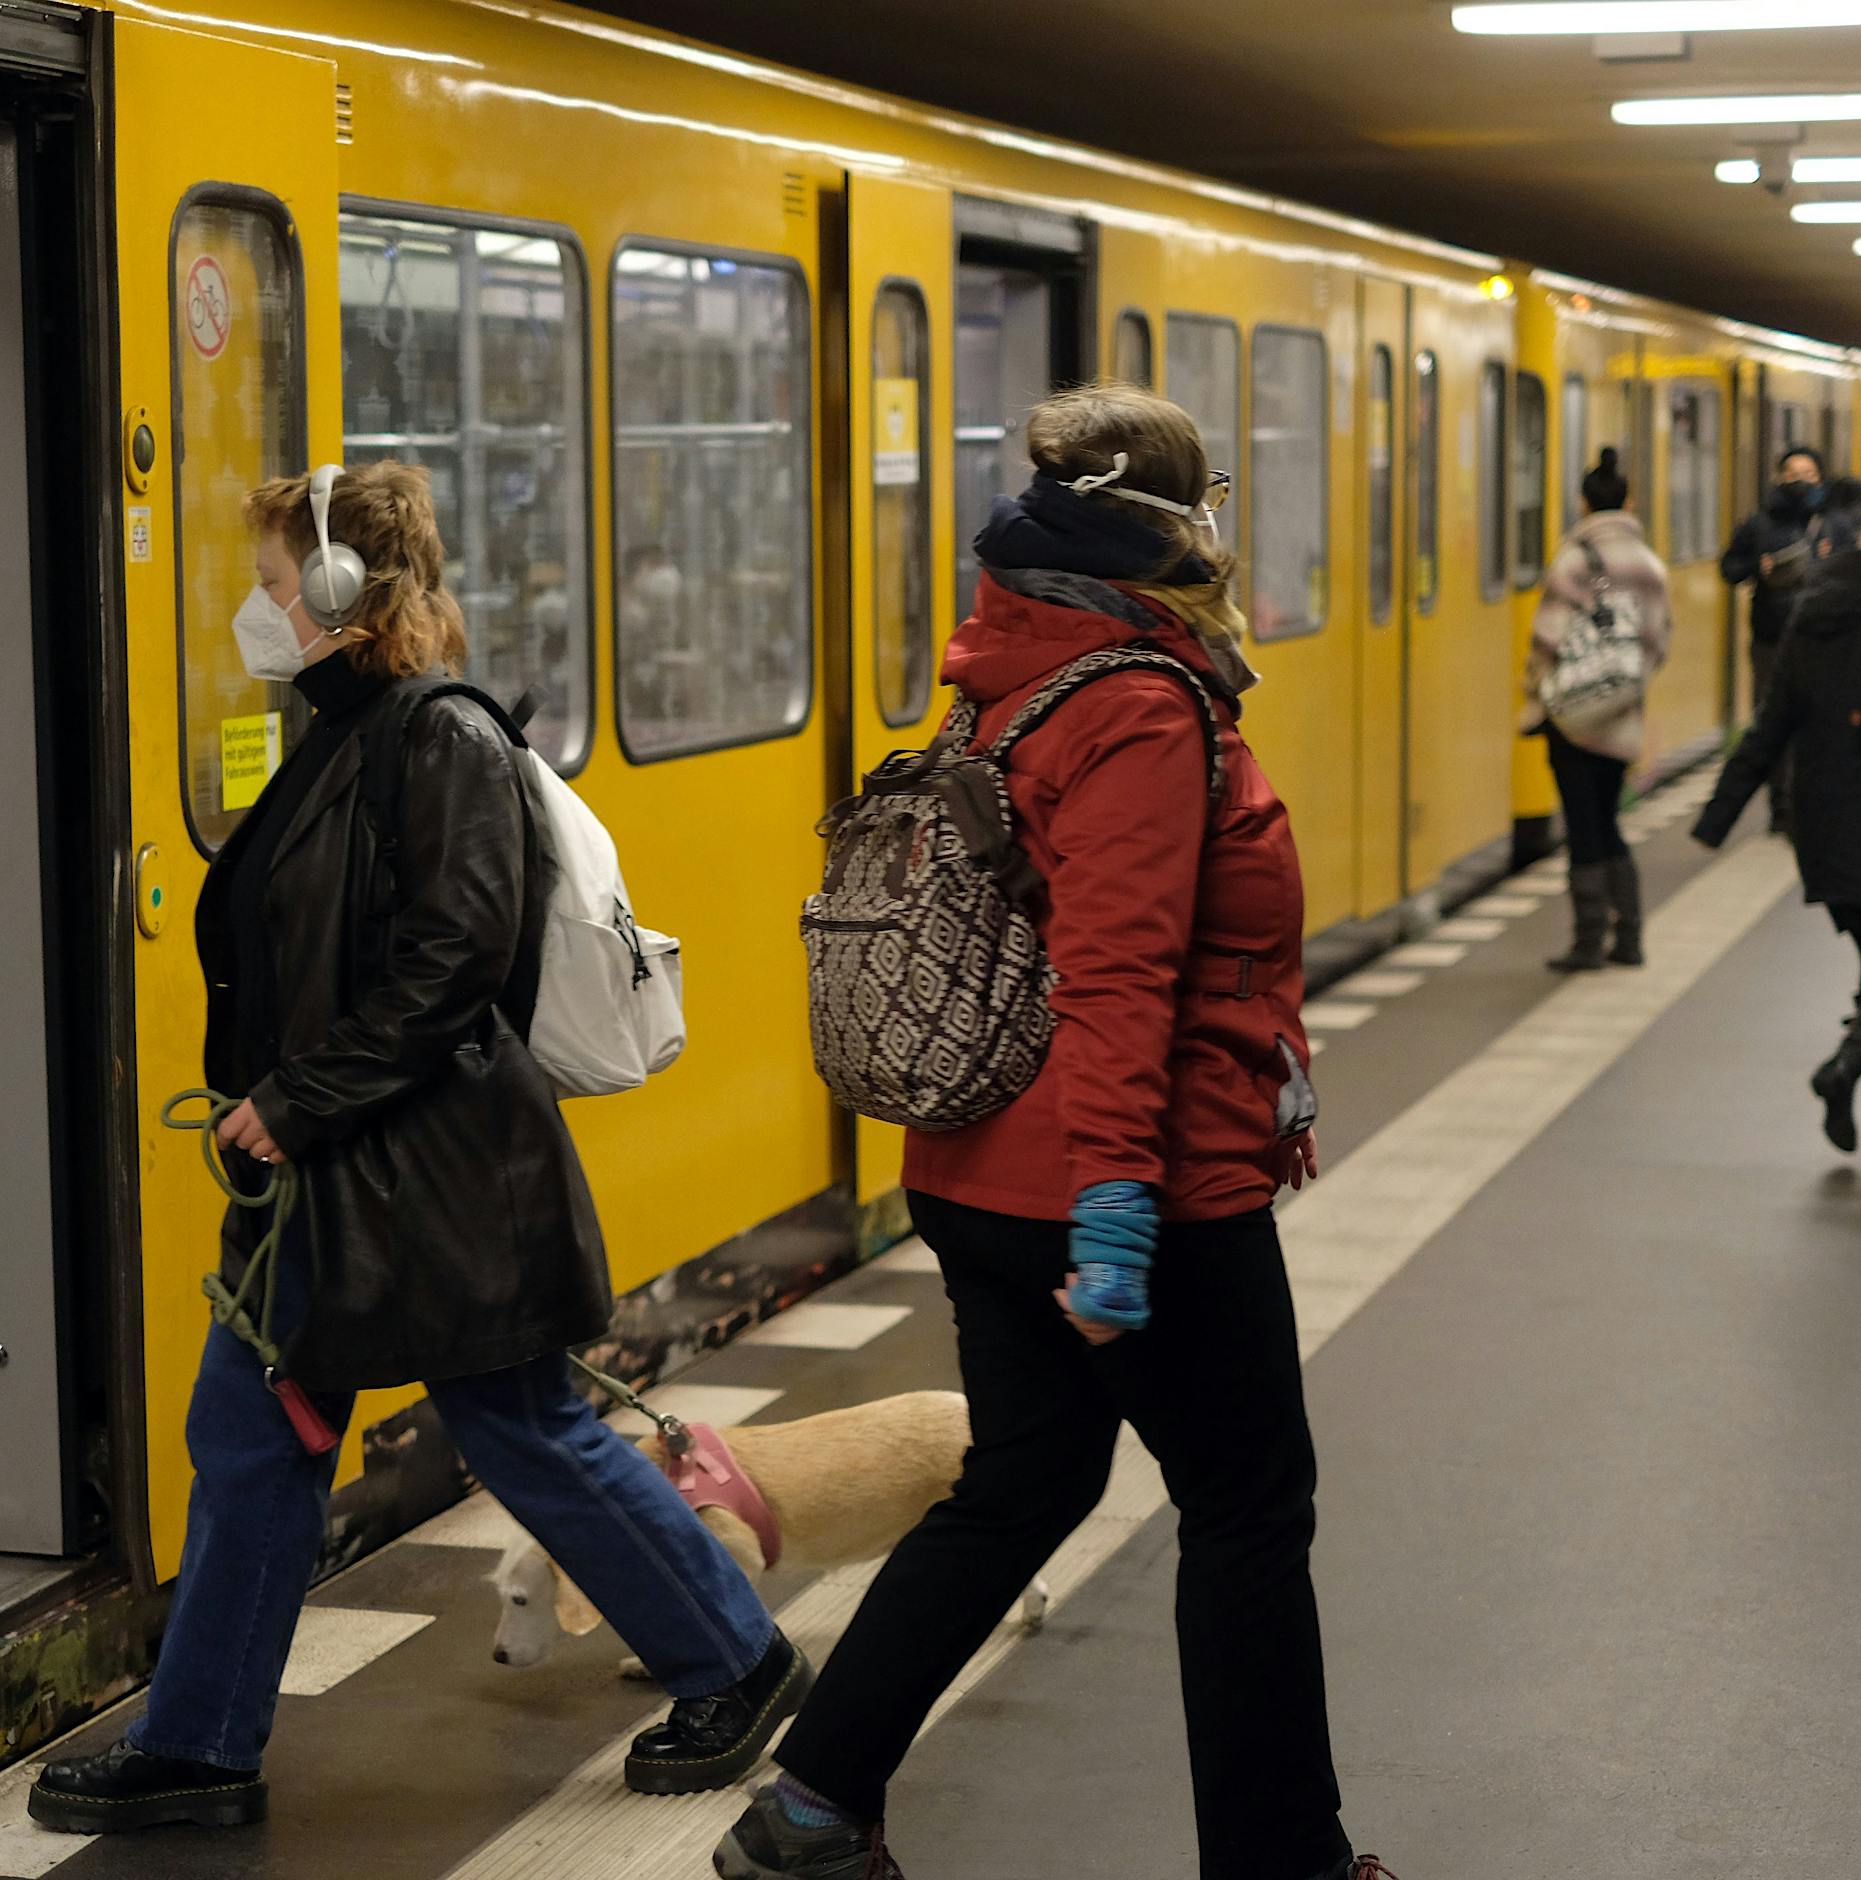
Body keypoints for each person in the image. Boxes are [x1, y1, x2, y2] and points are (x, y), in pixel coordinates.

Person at [29, 464, 807, 1836]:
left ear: (340, 593)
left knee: (527, 1429)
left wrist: (299, 1097)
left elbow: (457, 960)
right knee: (258, 1435)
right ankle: (202, 1743)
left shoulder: (431, 736)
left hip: (439, 1176)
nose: (255, 611)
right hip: (348, 1175)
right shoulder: (337, 732)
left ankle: (739, 1662)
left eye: (274, 585)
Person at [715, 388, 1394, 1880]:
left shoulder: (1010, 672)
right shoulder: (1143, 704)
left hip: (973, 1175)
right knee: (1247, 1507)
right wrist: (1115, 1211)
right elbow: (1121, 977)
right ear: (1174, 527)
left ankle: (813, 1808)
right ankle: (1283, 1860)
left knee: (1027, 1481)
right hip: (1133, 1179)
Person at [1695, 509, 1861, 1152]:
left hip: (1826, 825)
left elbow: (1772, 724)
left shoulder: (1813, 613)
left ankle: (1849, 1077)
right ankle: (1845, 1069)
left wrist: (1717, 818)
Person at [1520, 447, 1672, 973]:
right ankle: (1629, 936)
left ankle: (1588, 942)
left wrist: (1537, 696)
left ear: (1584, 505)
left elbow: (1546, 639)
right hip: (1622, 717)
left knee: (1582, 825)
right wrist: (1622, 686)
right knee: (1609, 820)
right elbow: (1658, 645)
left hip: (1572, 719)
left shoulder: (1574, 560)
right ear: (1628, 501)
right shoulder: (1651, 566)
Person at [1722, 445, 1827, 832]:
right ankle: (1780, 802)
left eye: (1809, 474)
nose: (1800, 481)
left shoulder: (1830, 525)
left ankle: (1804, 797)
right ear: (1779, 478)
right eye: (1792, 474)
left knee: (1813, 722)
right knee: (1773, 721)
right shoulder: (1757, 525)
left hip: (1819, 640)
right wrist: (1758, 567)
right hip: (1770, 640)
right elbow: (1729, 567)